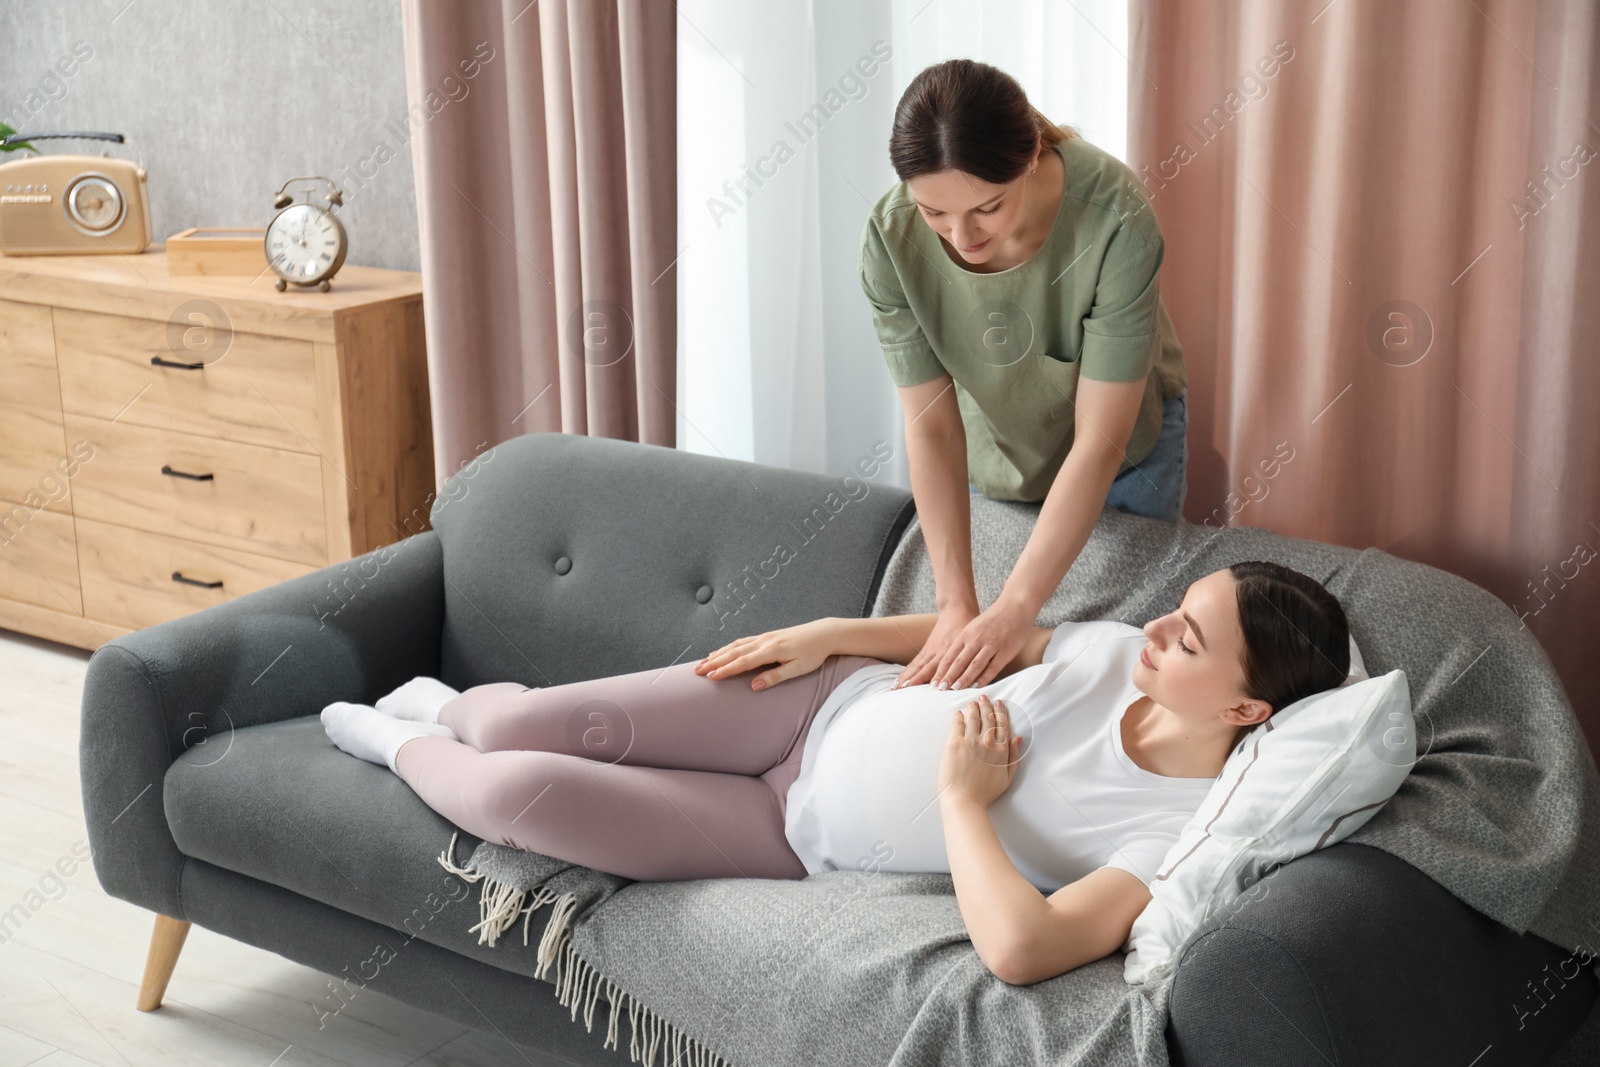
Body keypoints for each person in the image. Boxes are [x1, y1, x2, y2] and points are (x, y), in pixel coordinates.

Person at [321, 561, 1349, 985]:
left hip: (783, 837)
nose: (1160, 624)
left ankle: (391, 740)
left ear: (1245, 708)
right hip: (814, 701)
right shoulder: (1105, 650)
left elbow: (1022, 949)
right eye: (1180, 603)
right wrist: (828, 635)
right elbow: (976, 635)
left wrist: (963, 800)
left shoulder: (1173, 832)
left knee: (512, 797)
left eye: (1191, 634)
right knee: (532, 723)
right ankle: (441, 702)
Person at [862, 59, 1190, 695]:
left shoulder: (1114, 214)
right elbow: (931, 431)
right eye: (934, 213)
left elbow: (1099, 444)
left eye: (987, 207)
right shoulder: (889, 237)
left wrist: (1015, 607)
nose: (961, 236)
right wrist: (955, 603)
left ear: (1033, 155)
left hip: (1122, 456)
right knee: (995, 655)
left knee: (1109, 665)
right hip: (999, 445)